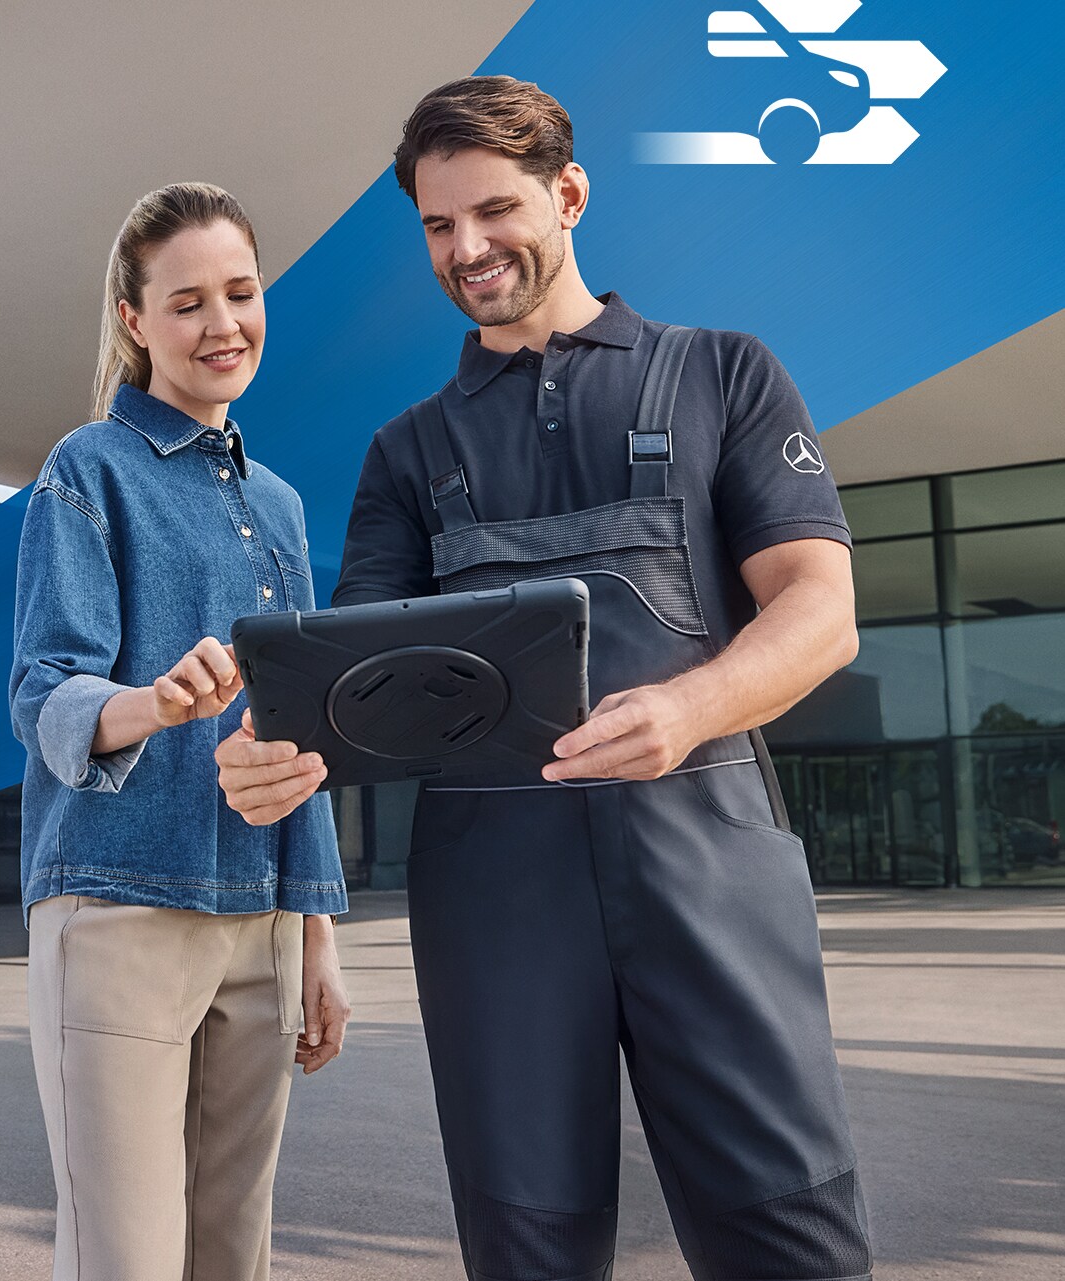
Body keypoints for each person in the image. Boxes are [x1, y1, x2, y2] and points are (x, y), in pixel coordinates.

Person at [216, 78, 874, 1281]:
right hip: (497, 907)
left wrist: (686, 708)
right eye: (435, 225)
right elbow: (348, 688)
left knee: (791, 1238)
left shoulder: (719, 376)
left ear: (569, 194)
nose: (466, 249)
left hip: (708, 871)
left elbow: (819, 613)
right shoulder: (409, 453)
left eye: (494, 211)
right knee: (526, 1249)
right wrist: (272, 754)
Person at [9, 182, 352, 1281]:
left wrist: (316, 932)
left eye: (241, 294)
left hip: (259, 920)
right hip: (117, 907)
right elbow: (43, 690)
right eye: (189, 301)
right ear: (133, 318)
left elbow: (303, 738)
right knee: (129, 1261)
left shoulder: (284, 509)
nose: (223, 325)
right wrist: (154, 703)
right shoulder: (87, 470)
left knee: (230, 1257)